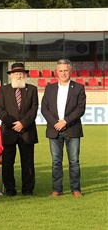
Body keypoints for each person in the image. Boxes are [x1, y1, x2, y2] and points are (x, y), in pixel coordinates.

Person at [41, 59, 86, 198]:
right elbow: (44, 108)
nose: (63, 73)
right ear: (56, 72)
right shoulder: (50, 88)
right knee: (56, 162)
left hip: (72, 129)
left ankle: (76, 189)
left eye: (66, 70)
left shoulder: (78, 87)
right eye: (60, 70)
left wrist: (65, 121)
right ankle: (57, 190)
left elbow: (80, 109)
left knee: (74, 162)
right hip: (54, 130)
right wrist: (56, 123)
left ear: (70, 71)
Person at [0, 62, 38, 196]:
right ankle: (10, 189)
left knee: (28, 163)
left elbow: (34, 110)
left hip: (27, 131)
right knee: (8, 163)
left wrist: (23, 123)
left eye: (21, 73)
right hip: (9, 131)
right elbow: (1, 111)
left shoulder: (32, 89)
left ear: (25, 75)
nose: (18, 75)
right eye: (16, 73)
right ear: (11, 75)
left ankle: (27, 189)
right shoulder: (3, 90)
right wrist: (14, 123)